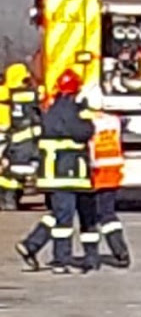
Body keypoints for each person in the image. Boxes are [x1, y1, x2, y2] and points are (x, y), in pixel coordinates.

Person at [16, 68, 95, 274]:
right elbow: (85, 131)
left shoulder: (52, 109)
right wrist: (87, 117)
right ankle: (61, 260)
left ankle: (31, 245)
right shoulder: (73, 109)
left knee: (58, 214)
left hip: (51, 174)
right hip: (66, 173)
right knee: (65, 220)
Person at [78, 84, 131, 268]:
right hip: (113, 173)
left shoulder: (84, 121)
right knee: (108, 215)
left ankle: (91, 257)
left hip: (93, 174)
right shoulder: (113, 120)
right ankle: (120, 250)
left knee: (89, 218)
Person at [0, 63, 41, 210]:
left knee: (8, 173)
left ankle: (8, 200)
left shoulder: (5, 94)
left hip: (10, 138)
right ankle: (9, 199)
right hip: (24, 142)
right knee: (14, 172)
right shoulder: (31, 94)